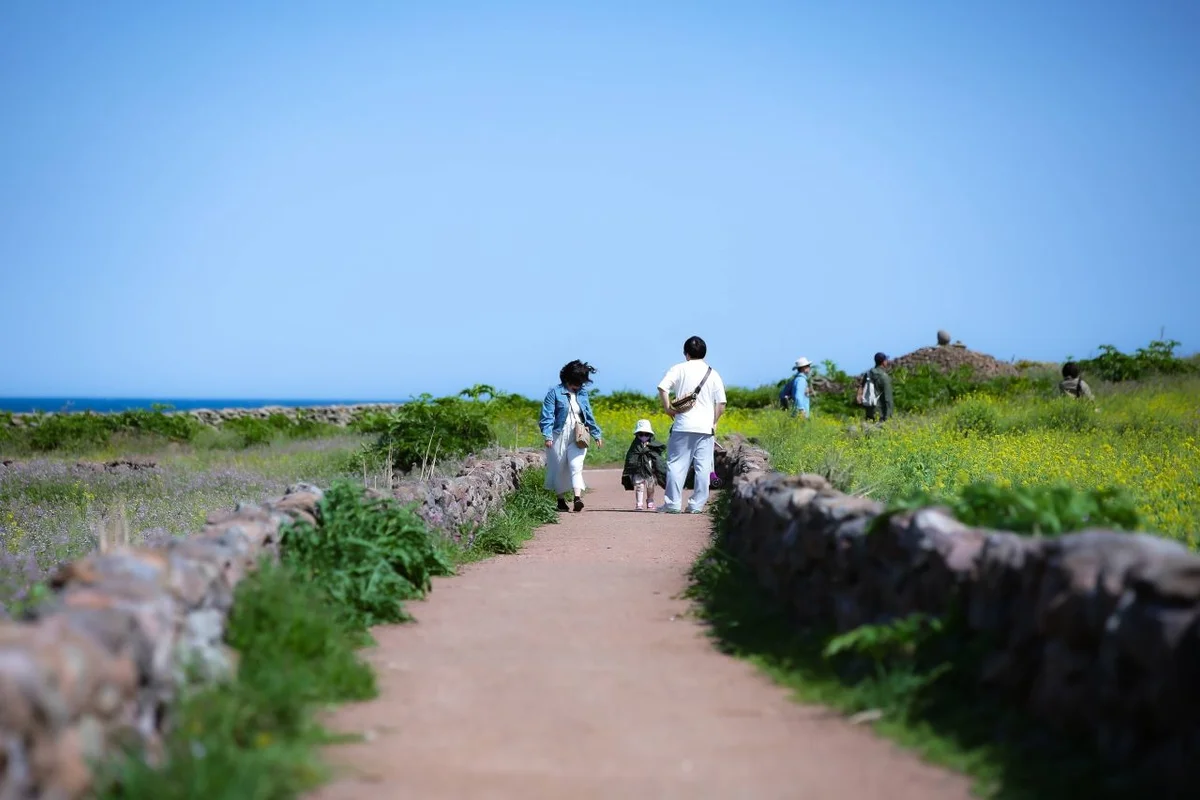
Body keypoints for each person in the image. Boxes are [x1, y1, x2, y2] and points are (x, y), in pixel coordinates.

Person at [656, 335, 727, 514]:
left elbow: (662, 387)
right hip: (705, 428)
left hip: (682, 425)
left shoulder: (678, 369)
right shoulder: (713, 373)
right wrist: (714, 422)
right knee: (703, 467)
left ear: (686, 353)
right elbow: (721, 404)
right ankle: (696, 505)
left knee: (676, 465)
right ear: (704, 353)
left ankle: (672, 503)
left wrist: (668, 409)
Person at [540, 360, 604, 512]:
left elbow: (588, 414)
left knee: (576, 465)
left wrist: (596, 433)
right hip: (558, 434)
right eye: (577, 382)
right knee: (559, 468)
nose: (579, 386)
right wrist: (548, 436)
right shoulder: (554, 393)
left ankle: (577, 498)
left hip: (578, 434)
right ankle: (560, 500)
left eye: (581, 383)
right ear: (568, 379)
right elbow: (547, 416)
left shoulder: (582, 394)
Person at [621, 419, 667, 511]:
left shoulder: (654, 445)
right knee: (639, 486)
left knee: (650, 487)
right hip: (639, 470)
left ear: (650, 435)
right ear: (637, 435)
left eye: (646, 434)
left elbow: (657, 458)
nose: (644, 436)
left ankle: (650, 501)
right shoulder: (634, 446)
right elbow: (631, 457)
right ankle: (639, 504)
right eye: (641, 434)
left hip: (650, 470)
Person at [858, 352, 894, 422]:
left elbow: (861, 386)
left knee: (869, 430)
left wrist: (859, 395)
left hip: (869, 409)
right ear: (883, 362)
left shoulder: (868, 374)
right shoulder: (884, 377)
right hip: (880, 412)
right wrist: (889, 416)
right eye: (886, 360)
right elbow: (888, 398)